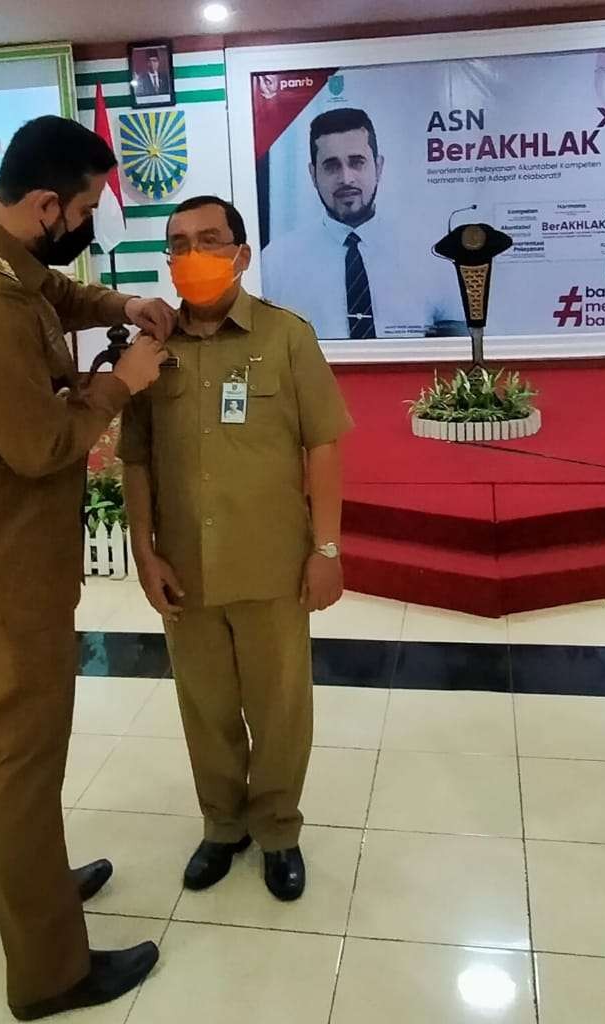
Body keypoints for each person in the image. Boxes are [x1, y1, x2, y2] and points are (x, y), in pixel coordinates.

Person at [0, 115, 176, 1020]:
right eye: (91, 204)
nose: (94, 219)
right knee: (21, 754)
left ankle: (14, 897)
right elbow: (40, 443)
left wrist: (117, 308)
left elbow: (46, 291)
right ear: (49, 203)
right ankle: (52, 971)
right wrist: (123, 381)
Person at [121, 195, 352, 902]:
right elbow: (135, 459)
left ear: (242, 254)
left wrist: (328, 549)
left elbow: (323, 446)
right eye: (179, 243)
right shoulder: (148, 355)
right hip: (185, 571)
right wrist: (143, 551)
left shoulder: (287, 337)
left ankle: (277, 829)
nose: (192, 255)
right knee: (207, 708)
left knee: (281, 708)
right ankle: (223, 825)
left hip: (271, 563)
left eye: (210, 240)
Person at [262, 107, 464, 340]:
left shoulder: (430, 255)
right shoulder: (276, 263)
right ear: (313, 174)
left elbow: (456, 352)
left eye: (357, 162)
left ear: (378, 167)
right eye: (331, 165)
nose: (346, 178)